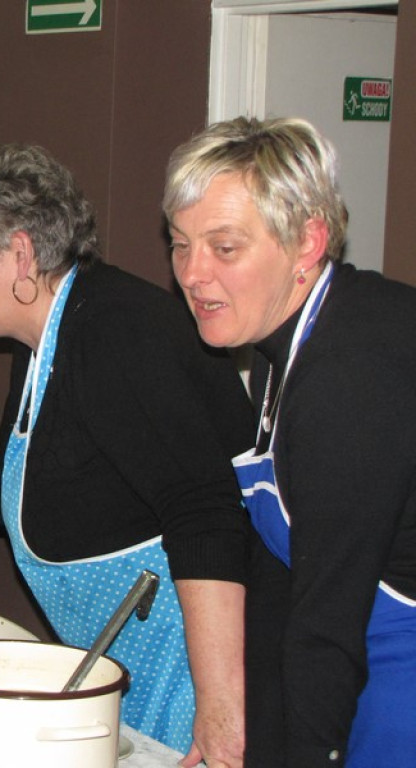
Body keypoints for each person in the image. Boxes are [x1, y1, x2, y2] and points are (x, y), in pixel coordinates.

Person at [0, 143, 254, 764]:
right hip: (120, 677)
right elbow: (30, 490)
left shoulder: (118, 334)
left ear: (21, 253)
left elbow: (207, 515)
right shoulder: (40, 344)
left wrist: (222, 717)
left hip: (189, 677)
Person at [164, 116, 416, 768]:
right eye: (179, 244)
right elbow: (279, 577)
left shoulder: (352, 372)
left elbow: (323, 624)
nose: (192, 274)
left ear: (307, 241)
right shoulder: (287, 342)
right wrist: (238, 722)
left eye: (224, 248)